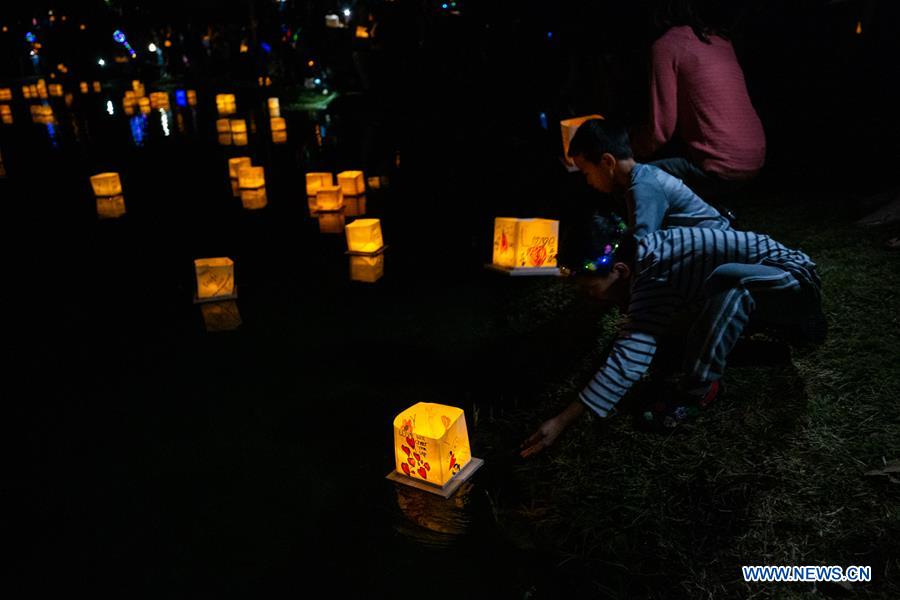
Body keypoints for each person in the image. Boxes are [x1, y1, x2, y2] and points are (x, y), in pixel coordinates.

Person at [520, 223, 826, 458]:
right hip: (772, 283)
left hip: (793, 282)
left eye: (590, 290)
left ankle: (699, 388)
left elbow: (630, 355)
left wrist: (562, 419)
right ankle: (777, 329)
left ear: (620, 270)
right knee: (701, 302)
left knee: (732, 285)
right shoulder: (648, 255)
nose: (591, 299)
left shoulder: (656, 274)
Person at [631, 0, 765, 202]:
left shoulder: (667, 45)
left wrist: (624, 149)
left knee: (634, 177)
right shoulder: (720, 40)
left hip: (720, 165)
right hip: (756, 155)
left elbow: (660, 132)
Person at [568, 119, 732, 238]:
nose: (588, 182)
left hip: (721, 245)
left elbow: (641, 246)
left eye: (586, 172)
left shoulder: (643, 186)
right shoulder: (641, 177)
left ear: (607, 162)